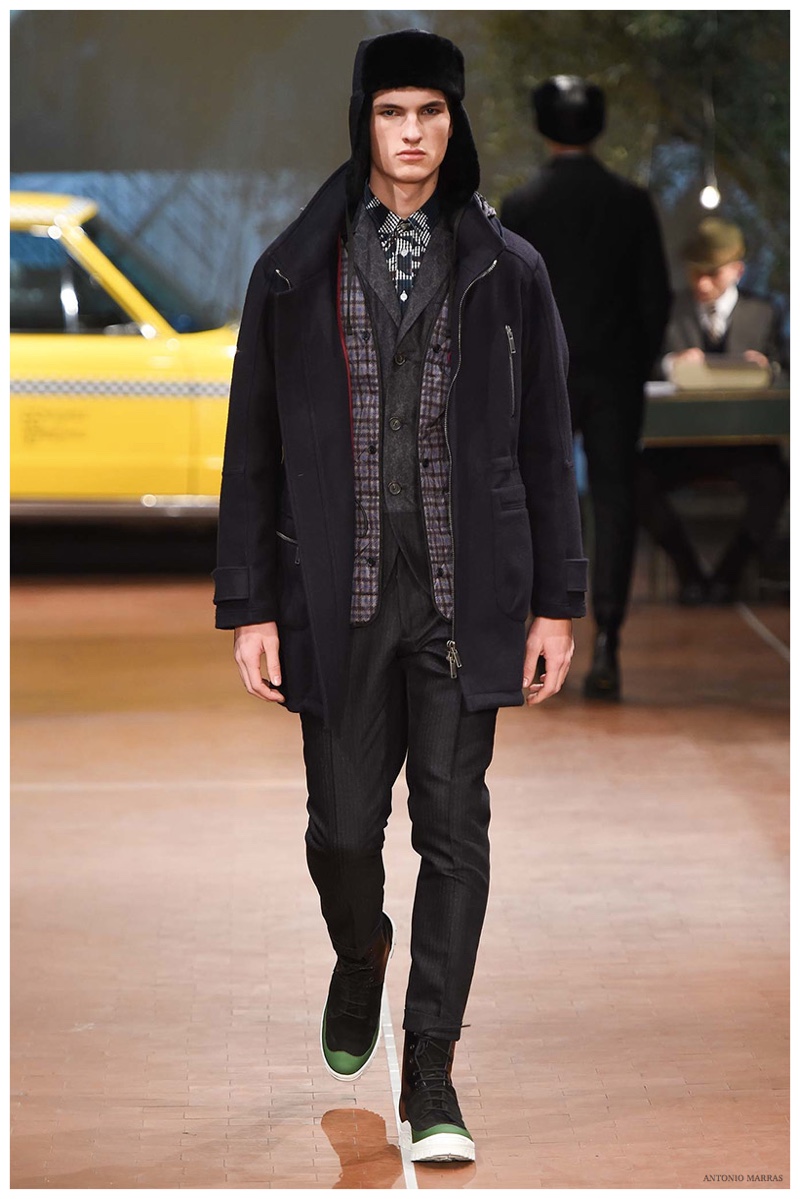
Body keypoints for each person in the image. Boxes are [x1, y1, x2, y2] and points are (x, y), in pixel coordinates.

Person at [213, 29, 587, 1164]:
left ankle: (431, 1064)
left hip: (467, 596)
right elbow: (252, 448)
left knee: (453, 827)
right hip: (337, 591)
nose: (412, 133)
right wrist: (251, 604)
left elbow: (545, 441)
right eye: (392, 112)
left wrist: (556, 601)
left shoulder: (509, 269)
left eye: (430, 111)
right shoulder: (293, 270)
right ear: (362, 121)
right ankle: (359, 949)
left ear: (453, 122)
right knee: (340, 830)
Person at [500, 75, 671, 701]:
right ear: (598, 126)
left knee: (536, 500)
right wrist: (635, 365)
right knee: (616, 503)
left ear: (541, 124)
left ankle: (534, 641)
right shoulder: (631, 201)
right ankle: (609, 647)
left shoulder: (522, 204)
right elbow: (655, 297)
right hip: (616, 378)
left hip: (542, 377)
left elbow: (506, 302)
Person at [638, 217, 788, 604]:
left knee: (775, 482)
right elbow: (642, 366)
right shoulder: (670, 310)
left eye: (713, 273)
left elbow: (784, 369)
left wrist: (765, 369)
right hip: (680, 445)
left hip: (745, 444)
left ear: (737, 270)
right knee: (635, 481)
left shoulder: (764, 312)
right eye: (695, 272)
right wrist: (672, 364)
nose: (702, 283)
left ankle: (727, 576)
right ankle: (688, 572)